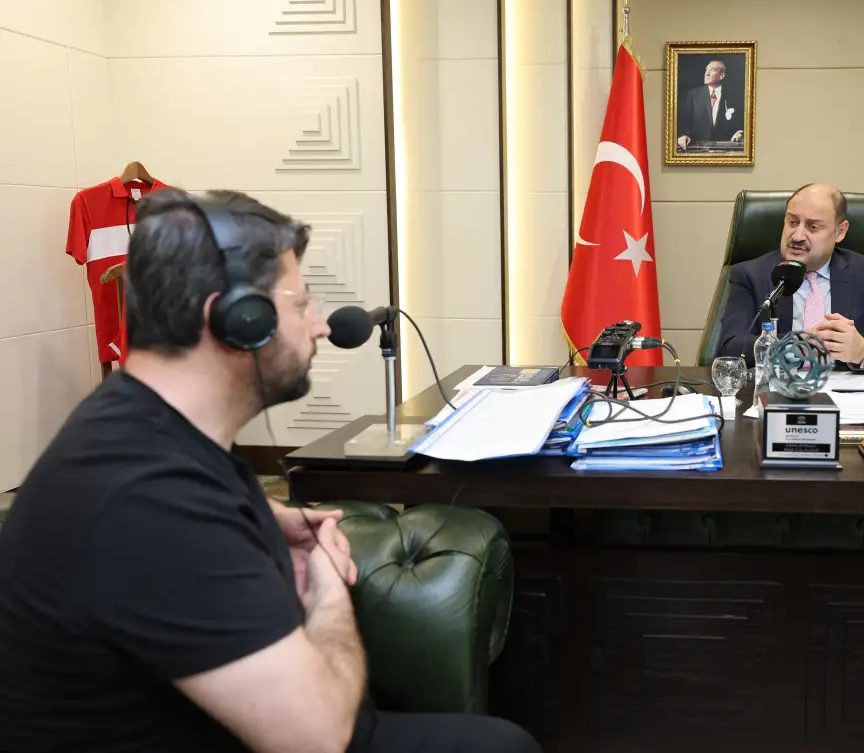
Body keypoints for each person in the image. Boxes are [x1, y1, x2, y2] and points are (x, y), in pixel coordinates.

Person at [0, 189, 540, 753]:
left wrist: (258, 515)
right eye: (301, 304)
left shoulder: (139, 427)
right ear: (238, 320)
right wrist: (328, 586)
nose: (321, 326)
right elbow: (319, 739)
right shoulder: (149, 498)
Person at [716, 183, 864, 372]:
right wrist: (793, 346)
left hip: (846, 389)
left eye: (813, 227)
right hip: (778, 387)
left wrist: (863, 349)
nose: (797, 236)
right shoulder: (750, 274)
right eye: (792, 222)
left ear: (840, 231)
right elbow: (731, 347)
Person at [676, 59, 745, 149]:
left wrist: (740, 132)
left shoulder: (733, 96)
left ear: (721, 76)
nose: (707, 73)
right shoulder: (693, 95)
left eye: (712, 70)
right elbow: (685, 121)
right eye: (706, 70)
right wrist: (684, 135)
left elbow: (741, 122)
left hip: (726, 149)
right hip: (697, 149)